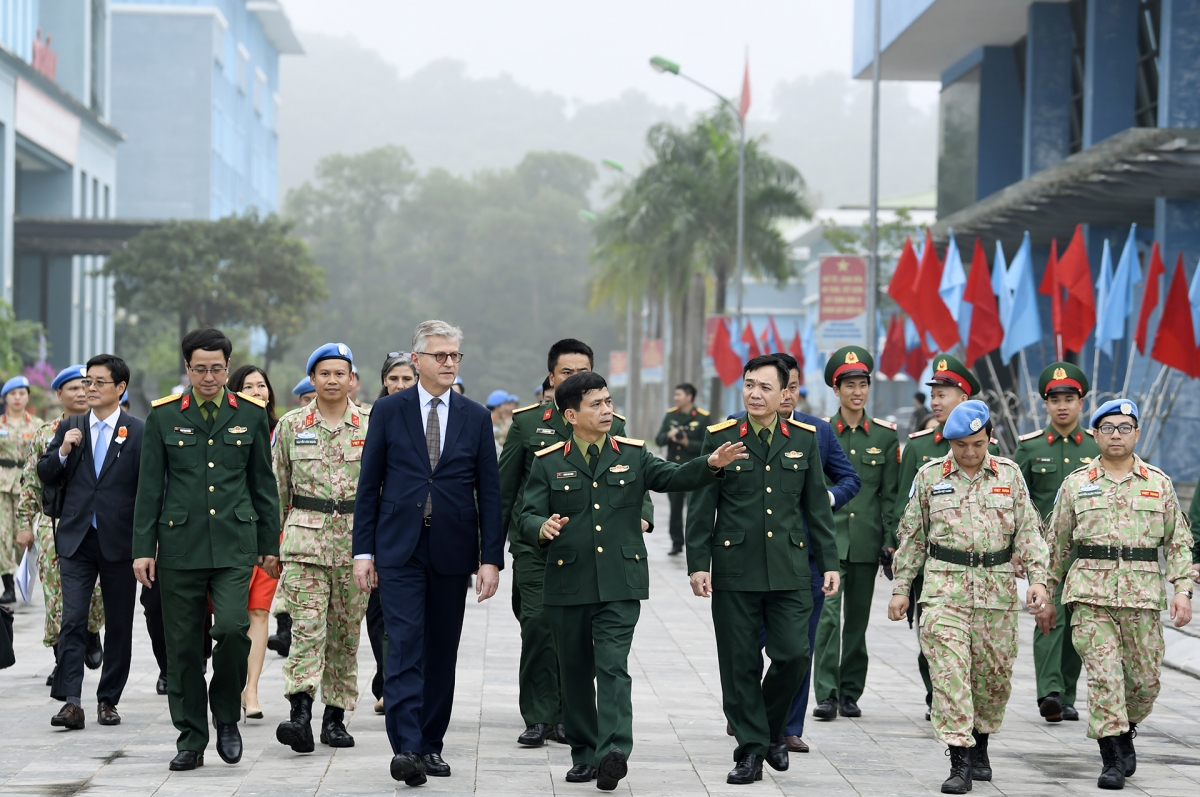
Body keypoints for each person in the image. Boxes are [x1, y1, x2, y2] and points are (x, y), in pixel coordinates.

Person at [521, 371, 745, 789]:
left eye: (608, 401)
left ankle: (613, 752)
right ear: (571, 414)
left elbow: (672, 477)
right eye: (597, 404)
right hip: (567, 583)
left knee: (611, 666)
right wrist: (541, 526)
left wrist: (711, 464)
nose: (608, 410)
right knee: (573, 672)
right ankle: (584, 754)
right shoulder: (549, 461)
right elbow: (526, 514)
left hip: (620, 582)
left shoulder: (633, 454)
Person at [352, 319, 503, 787]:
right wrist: (363, 551)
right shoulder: (390, 411)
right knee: (403, 646)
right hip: (398, 549)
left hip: (453, 549)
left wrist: (490, 558)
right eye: (440, 355)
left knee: (441, 649)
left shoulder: (474, 416)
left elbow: (490, 493)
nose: (449, 363)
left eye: (455, 356)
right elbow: (369, 485)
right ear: (416, 361)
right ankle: (407, 747)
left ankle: (431, 743)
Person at [132, 327, 280, 771]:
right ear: (188, 368)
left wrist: (269, 544)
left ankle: (227, 717)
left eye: (217, 368)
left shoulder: (251, 415)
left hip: (236, 545)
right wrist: (144, 548)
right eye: (200, 369)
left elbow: (263, 485)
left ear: (228, 368)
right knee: (183, 650)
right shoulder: (162, 417)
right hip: (180, 547)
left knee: (234, 629)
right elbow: (148, 489)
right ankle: (192, 737)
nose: (209, 376)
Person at [687, 355, 840, 785]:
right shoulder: (721, 437)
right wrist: (698, 563)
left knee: (793, 654)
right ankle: (752, 751)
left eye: (765, 387)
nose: (755, 394)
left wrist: (829, 562)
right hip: (735, 570)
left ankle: (773, 730)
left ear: (785, 394)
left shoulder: (804, 439)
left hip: (791, 570)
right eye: (749, 385)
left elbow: (815, 506)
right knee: (738, 666)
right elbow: (702, 505)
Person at [888, 400, 1051, 794]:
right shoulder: (929, 477)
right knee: (950, 674)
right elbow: (911, 538)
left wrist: (1039, 580)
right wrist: (900, 590)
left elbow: (1030, 533)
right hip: (945, 589)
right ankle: (959, 759)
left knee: (992, 677)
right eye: (962, 445)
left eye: (978, 444)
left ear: (990, 438)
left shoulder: (1009, 476)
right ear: (949, 441)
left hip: (996, 591)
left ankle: (981, 744)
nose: (970, 453)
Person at [498, 338, 653, 748]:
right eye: (568, 372)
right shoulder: (527, 424)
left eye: (584, 370)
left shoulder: (610, 422)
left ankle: (571, 717)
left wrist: (644, 516)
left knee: (579, 641)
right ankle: (539, 714)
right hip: (537, 547)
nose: (577, 377)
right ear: (552, 378)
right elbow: (506, 489)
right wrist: (488, 555)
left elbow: (637, 474)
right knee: (537, 624)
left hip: (592, 551)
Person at [1044, 399, 1195, 790]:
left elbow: (1178, 543)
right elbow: (1057, 542)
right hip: (1090, 598)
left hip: (1142, 599)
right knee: (1104, 676)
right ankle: (1110, 756)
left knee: (1144, 683)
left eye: (1124, 427)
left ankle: (1126, 726)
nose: (1116, 434)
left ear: (1137, 433)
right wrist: (1044, 588)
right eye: (1108, 428)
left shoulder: (1158, 483)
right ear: (1095, 434)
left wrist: (1183, 590)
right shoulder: (1076, 483)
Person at [726, 352, 859, 753]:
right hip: (751, 564)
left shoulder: (815, 432)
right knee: (749, 648)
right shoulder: (734, 432)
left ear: (794, 390)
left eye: (788, 387)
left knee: (797, 650)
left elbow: (849, 478)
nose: (782, 395)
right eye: (760, 385)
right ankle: (751, 718)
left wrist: (823, 500)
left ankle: (787, 727)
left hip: (805, 560)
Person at [37, 355, 144, 731]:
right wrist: (63, 449)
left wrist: (149, 543)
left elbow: (149, 490)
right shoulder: (70, 425)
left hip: (119, 540)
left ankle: (108, 699)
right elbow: (45, 473)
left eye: (99, 382)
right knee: (73, 619)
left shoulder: (138, 431)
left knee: (118, 624)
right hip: (77, 538)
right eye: (88, 382)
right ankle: (70, 702)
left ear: (120, 389)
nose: (90, 389)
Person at [273, 344, 371, 753]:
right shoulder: (291, 425)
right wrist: (275, 541)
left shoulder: (371, 424)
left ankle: (335, 717)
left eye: (340, 373)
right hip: (305, 543)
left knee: (345, 634)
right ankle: (300, 715)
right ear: (311, 380)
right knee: (307, 631)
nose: (332, 380)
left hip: (355, 542)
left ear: (352, 380)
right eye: (324, 373)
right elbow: (277, 486)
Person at [893, 354, 996, 719]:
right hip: (931, 561)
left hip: (982, 571)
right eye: (933, 394)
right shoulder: (920, 446)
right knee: (933, 635)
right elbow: (903, 506)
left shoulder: (989, 451)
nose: (936, 401)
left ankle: (964, 703)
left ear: (965, 398)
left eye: (944, 393)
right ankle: (938, 695)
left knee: (981, 647)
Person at [812, 346, 900, 722]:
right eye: (849, 384)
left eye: (862, 384)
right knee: (828, 618)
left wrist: (891, 541)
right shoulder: (818, 433)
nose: (857, 391)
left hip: (866, 543)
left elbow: (890, 496)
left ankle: (851, 691)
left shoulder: (886, 436)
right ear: (836, 389)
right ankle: (827, 693)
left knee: (858, 622)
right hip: (830, 541)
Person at [1014, 362, 1099, 724]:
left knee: (1077, 623)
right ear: (1045, 404)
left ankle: (1066, 692)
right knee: (1048, 618)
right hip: (1045, 554)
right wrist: (1018, 547)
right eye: (1055, 399)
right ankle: (1049, 692)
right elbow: (1017, 500)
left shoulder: (1098, 447)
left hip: (1086, 552)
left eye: (1069, 398)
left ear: (1082, 402)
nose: (1062, 406)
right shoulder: (1030, 449)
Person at [15, 365, 105, 686]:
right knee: (57, 595)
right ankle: (62, 660)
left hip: (96, 526)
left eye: (86, 386)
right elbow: (30, 483)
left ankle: (92, 629)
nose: (81, 393)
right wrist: (25, 524)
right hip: (55, 526)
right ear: (59, 394)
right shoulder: (45, 433)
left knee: (96, 593)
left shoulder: (104, 429)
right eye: (73, 388)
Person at [363, 352, 420, 714]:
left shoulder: (430, 415)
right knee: (377, 612)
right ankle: (386, 675)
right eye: (394, 379)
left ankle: (394, 682)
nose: (399, 385)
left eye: (406, 379)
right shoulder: (376, 416)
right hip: (381, 527)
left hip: (416, 528)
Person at [227, 364, 280, 720]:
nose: (258, 392)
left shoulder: (284, 430)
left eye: (262, 386)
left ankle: (252, 689)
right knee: (231, 617)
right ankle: (228, 682)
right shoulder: (228, 428)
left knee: (259, 611)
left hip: (268, 532)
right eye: (249, 386)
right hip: (231, 531)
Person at [0, 375, 44, 604]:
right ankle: (8, 584)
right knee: (2, 536)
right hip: (2, 485)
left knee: (25, 539)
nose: (17, 398)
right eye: (12, 394)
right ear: (5, 397)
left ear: (27, 396)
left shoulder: (37, 425)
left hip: (27, 486)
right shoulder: (0, 424)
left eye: (21, 393)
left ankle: (23, 576)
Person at [655, 382, 708, 556]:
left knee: (695, 509)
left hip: (694, 471)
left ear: (689, 397)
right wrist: (668, 435)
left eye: (679, 395)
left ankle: (695, 542)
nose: (675, 398)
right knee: (675, 508)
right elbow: (659, 440)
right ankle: (676, 542)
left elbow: (707, 445)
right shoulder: (670, 416)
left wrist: (687, 443)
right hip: (674, 470)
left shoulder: (702, 417)